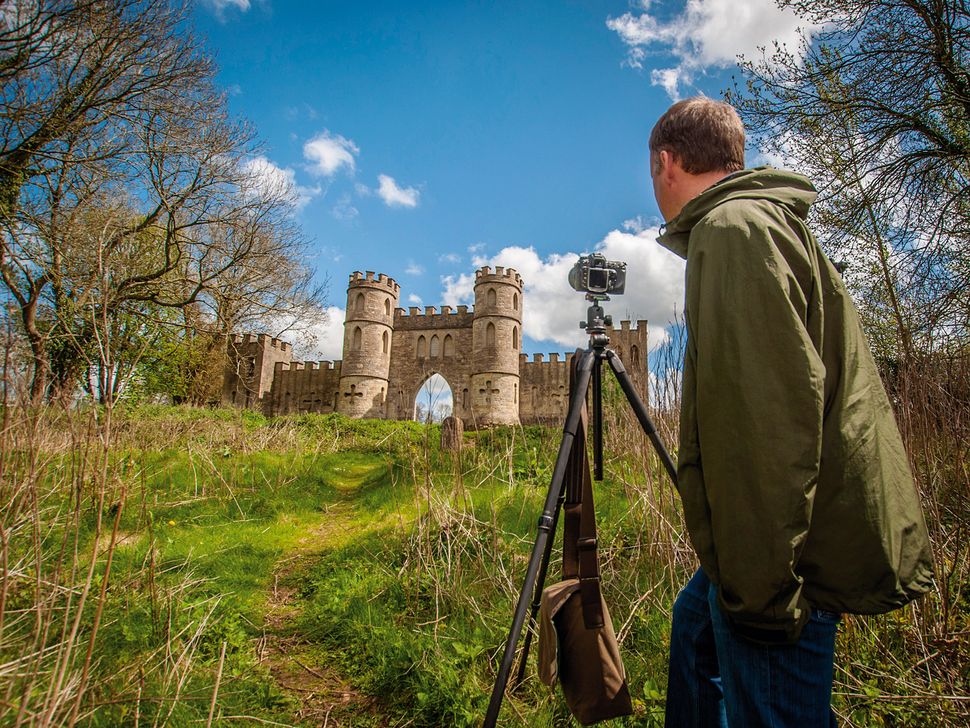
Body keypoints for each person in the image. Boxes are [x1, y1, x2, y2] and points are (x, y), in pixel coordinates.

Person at [648, 97, 934, 728]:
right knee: (695, 627)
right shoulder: (767, 221)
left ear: (667, 163)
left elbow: (765, 429)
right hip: (793, 525)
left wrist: (762, 598)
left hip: (789, 553)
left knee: (776, 710)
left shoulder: (732, 233)